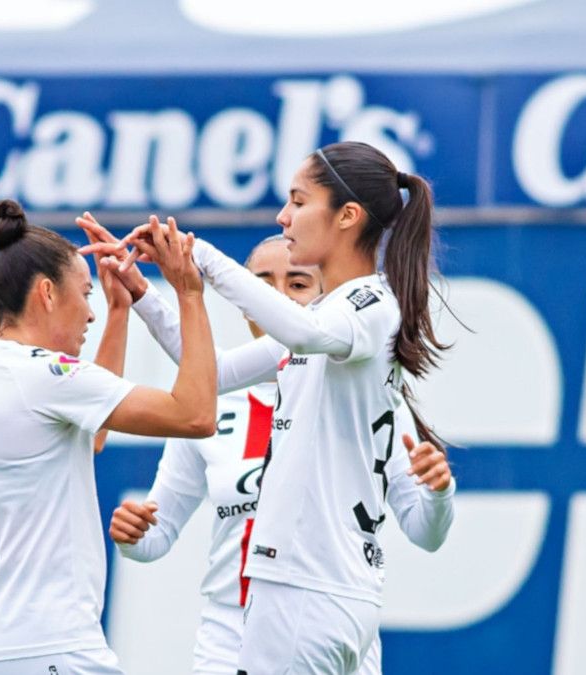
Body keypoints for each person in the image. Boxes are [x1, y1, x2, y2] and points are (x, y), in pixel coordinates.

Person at [111, 140, 451, 674]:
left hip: (303, 590)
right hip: (318, 592)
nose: (282, 216)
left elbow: (305, 329)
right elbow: (215, 372)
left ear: (347, 216)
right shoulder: (337, 316)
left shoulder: (361, 304)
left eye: (298, 200)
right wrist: (147, 293)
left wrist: (202, 256)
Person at [0, 200, 216, 675]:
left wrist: (120, 314)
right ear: (46, 293)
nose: (90, 313)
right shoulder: (44, 376)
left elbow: (90, 435)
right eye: (85, 293)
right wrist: (189, 292)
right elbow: (196, 415)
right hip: (45, 645)